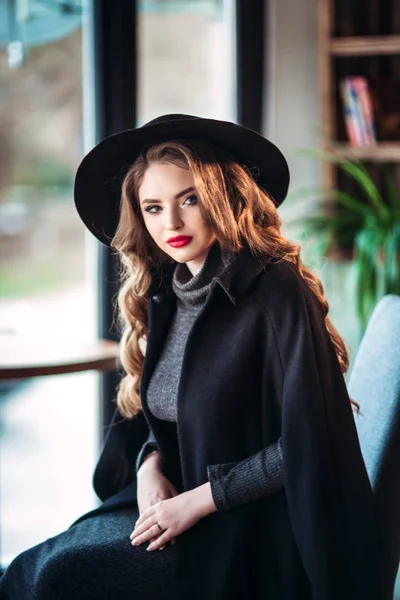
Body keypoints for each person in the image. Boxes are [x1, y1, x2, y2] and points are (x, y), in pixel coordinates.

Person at [0, 114, 383, 600]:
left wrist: (200, 502)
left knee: (61, 575)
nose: (171, 224)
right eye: (153, 208)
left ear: (222, 197)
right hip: (179, 503)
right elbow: (172, 419)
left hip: (258, 530)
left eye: (189, 200)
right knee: (36, 567)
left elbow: (309, 444)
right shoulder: (165, 292)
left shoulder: (275, 291)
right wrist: (148, 466)